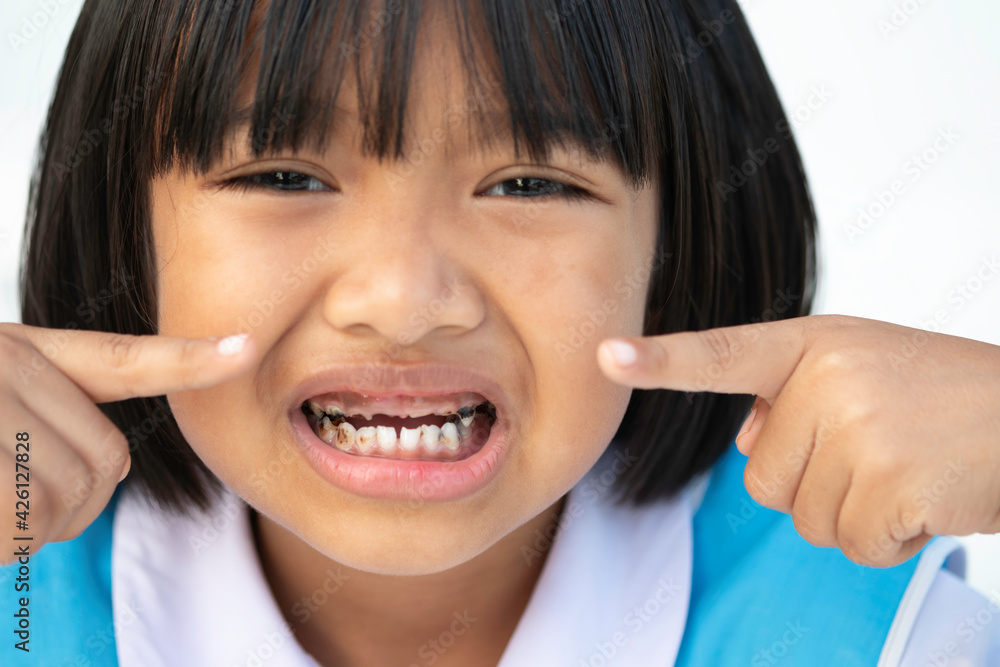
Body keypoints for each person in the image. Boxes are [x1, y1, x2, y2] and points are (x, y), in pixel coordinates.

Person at [2, 0, 998, 665]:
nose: (403, 301)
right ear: (122, 228)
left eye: (529, 183)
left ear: (678, 248)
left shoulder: (879, 636)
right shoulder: (24, 593)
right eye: (284, 177)